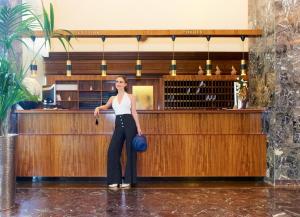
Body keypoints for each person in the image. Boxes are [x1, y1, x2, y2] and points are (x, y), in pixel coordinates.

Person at [94, 75, 142, 189]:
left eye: (121, 82)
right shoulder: (112, 98)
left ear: (125, 84)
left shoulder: (131, 96)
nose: (118, 83)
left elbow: (134, 112)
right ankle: (115, 180)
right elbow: (106, 106)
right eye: (117, 81)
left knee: (130, 151)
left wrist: (139, 127)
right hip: (118, 125)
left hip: (130, 123)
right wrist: (98, 108)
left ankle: (129, 180)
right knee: (113, 151)